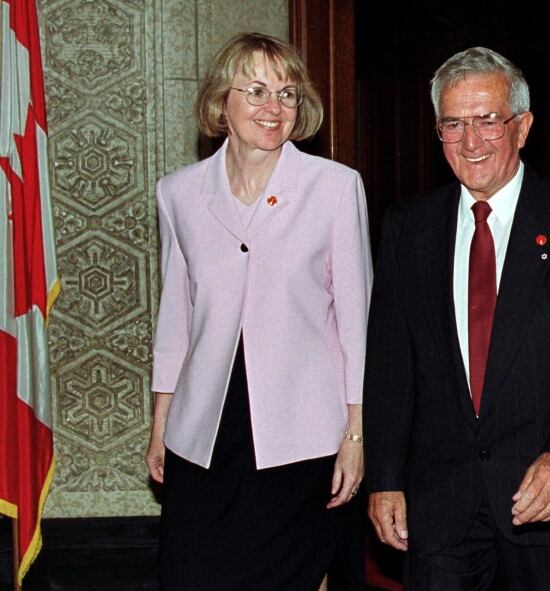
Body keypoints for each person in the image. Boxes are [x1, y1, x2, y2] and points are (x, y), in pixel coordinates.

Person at [364, 46, 550, 590]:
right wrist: (387, 477)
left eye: (488, 121)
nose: (471, 142)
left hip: (547, 501)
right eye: (453, 124)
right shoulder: (408, 228)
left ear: (523, 126)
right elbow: (391, 364)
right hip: (439, 505)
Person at [145, 32, 372, 590]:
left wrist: (357, 434)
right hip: (205, 429)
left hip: (302, 431)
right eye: (257, 90)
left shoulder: (336, 188)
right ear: (223, 101)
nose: (275, 108)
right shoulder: (178, 193)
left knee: (295, 573)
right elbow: (176, 317)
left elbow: (357, 320)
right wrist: (160, 424)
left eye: (288, 94)